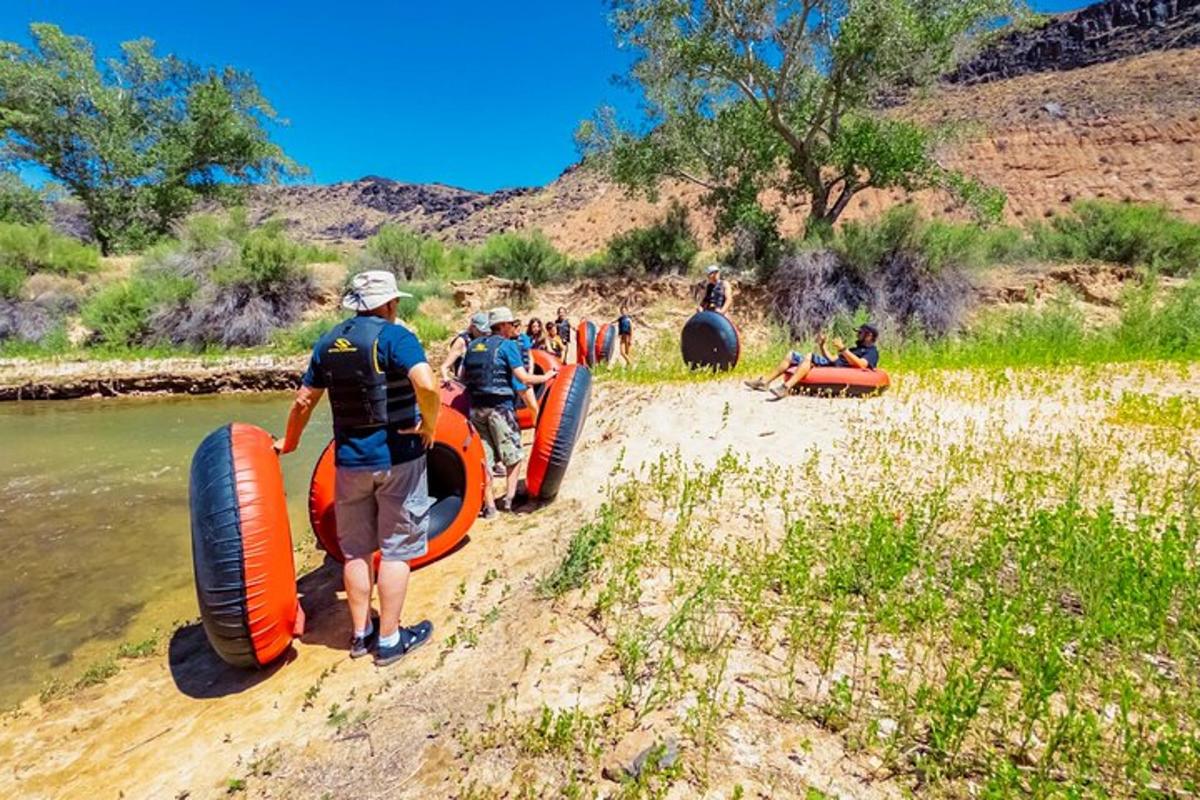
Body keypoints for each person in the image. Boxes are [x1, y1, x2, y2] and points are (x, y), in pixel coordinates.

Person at [276, 271, 438, 666]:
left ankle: (361, 634)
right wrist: (429, 425)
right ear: (388, 303)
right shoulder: (396, 337)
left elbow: (303, 402)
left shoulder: (328, 342)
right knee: (397, 551)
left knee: (355, 552)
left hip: (349, 462)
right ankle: (389, 640)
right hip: (399, 458)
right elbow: (428, 386)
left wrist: (291, 442)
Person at [462, 306, 557, 515]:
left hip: (476, 409)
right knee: (513, 457)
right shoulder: (507, 346)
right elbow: (523, 378)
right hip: (500, 409)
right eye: (512, 324)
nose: (514, 327)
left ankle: (490, 508)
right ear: (503, 325)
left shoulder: (473, 346)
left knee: (484, 461)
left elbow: (462, 376)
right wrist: (546, 376)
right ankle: (509, 500)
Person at [746, 324, 881, 399]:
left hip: (838, 371)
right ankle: (764, 382)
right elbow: (833, 359)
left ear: (869, 336)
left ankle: (786, 387)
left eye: (860, 333)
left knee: (809, 356)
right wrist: (823, 346)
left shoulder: (872, 352)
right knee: (791, 355)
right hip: (833, 366)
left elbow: (862, 364)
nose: (857, 335)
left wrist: (844, 349)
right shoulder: (855, 349)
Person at [440, 311, 490, 382]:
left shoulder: (487, 339)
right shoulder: (462, 341)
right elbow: (444, 367)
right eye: (481, 332)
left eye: (486, 332)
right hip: (464, 384)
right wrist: (446, 377)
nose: (484, 335)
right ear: (473, 327)